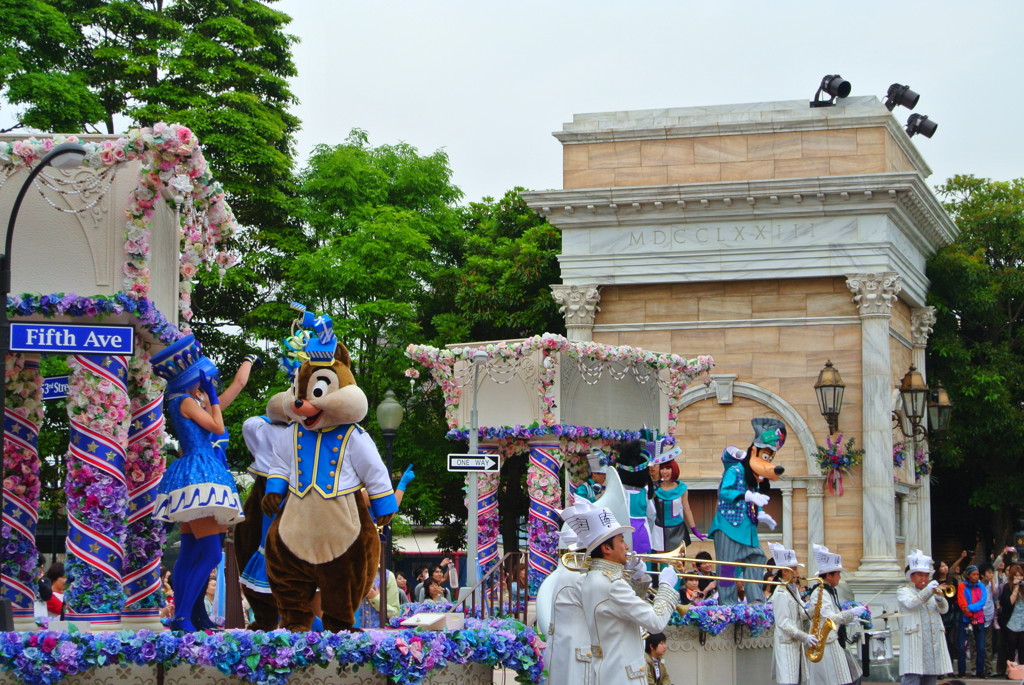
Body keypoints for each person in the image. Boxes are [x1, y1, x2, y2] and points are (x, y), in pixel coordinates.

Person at [151, 335, 251, 632]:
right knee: (209, 553)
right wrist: (213, 398)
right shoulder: (184, 401)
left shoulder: (188, 401)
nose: (208, 383)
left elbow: (235, 389)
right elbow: (218, 426)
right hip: (200, 477)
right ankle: (183, 614)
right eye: (203, 379)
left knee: (191, 551)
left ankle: (194, 615)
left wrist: (247, 362)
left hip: (196, 475)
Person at [568, 498, 679, 684]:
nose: (626, 546)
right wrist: (667, 587)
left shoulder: (593, 578)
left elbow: (622, 609)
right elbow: (656, 621)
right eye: (621, 541)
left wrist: (639, 580)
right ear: (606, 548)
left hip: (610, 670)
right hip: (624, 675)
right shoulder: (612, 583)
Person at [806, 545, 868, 685]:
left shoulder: (828, 591)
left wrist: (848, 619)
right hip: (825, 644)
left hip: (833, 641)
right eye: (837, 574)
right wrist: (850, 613)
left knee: (849, 677)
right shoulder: (819, 592)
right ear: (829, 575)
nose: (840, 577)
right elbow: (829, 618)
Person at [896, 549, 953, 685]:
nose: (924, 579)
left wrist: (939, 598)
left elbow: (944, 610)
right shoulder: (903, 591)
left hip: (932, 644)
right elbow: (912, 603)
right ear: (912, 577)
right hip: (915, 643)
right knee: (912, 679)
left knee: (930, 680)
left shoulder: (931, 591)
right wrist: (928, 591)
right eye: (920, 575)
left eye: (926, 576)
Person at [768, 542, 813, 685]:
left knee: (796, 679)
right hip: (786, 643)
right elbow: (783, 623)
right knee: (788, 680)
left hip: (794, 643)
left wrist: (816, 609)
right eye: (794, 570)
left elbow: (801, 612)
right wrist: (804, 636)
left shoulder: (791, 589)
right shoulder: (781, 593)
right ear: (784, 572)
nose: (797, 574)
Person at [650, 451, 705, 552]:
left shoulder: (682, 488)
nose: (664, 472)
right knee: (661, 561)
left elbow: (687, 509)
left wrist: (694, 529)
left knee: (678, 563)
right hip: (659, 530)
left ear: (674, 469)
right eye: (662, 468)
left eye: (668, 468)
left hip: (678, 530)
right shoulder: (655, 489)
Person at [955, 564, 988, 678]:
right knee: (961, 646)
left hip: (979, 618)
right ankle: (961, 671)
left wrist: (971, 608)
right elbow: (962, 602)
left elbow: (982, 601)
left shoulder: (981, 586)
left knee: (981, 647)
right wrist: (969, 613)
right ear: (968, 575)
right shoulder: (961, 586)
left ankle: (980, 671)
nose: (976, 576)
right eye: (974, 574)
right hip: (965, 618)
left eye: (977, 574)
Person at [1001, 564, 1024, 676]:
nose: (1018, 578)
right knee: (1011, 647)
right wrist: (1015, 589)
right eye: (1016, 576)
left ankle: (1022, 671)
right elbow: (1008, 604)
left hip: (1022, 621)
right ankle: (1009, 671)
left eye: (1020, 576)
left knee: (1022, 648)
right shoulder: (1007, 587)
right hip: (1011, 622)